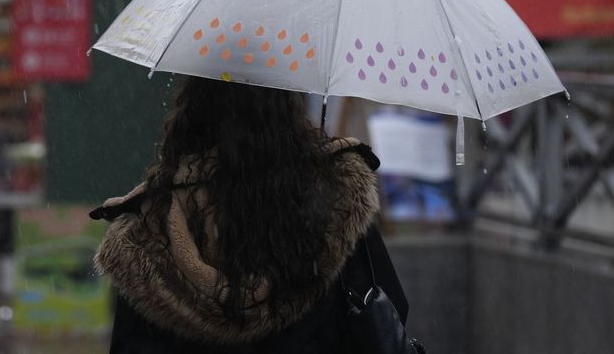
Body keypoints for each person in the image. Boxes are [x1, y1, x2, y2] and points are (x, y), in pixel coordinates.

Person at [91, 76, 409, 353]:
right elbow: (388, 317)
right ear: (290, 108)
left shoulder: (150, 230)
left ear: (193, 110)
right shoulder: (336, 202)